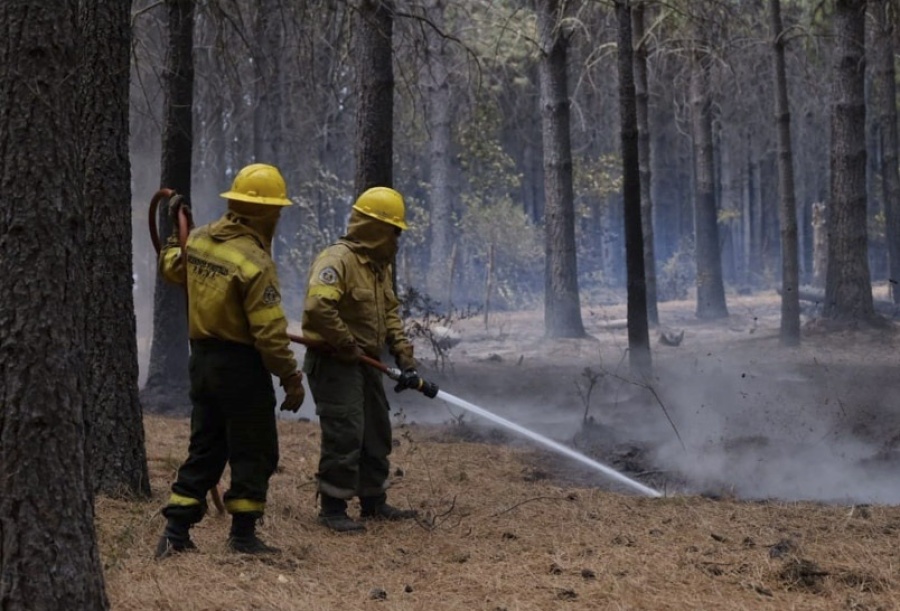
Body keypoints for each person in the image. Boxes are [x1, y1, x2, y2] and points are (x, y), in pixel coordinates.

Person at [154, 163, 306, 558]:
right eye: (275, 209)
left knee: (206, 447)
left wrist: (176, 233)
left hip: (202, 363)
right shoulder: (255, 262)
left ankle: (175, 531)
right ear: (261, 212)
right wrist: (291, 378)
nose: (277, 216)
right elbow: (270, 335)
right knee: (254, 449)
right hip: (240, 367)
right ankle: (243, 535)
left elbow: (172, 265)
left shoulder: (200, 240)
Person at [301, 186, 425, 533]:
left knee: (376, 431)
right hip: (335, 363)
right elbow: (317, 307)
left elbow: (390, 312)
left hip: (364, 361)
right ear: (374, 228)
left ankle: (374, 501)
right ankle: (333, 506)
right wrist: (345, 343)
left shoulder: (377, 268)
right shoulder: (336, 261)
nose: (397, 240)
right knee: (346, 430)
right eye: (393, 232)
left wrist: (404, 355)